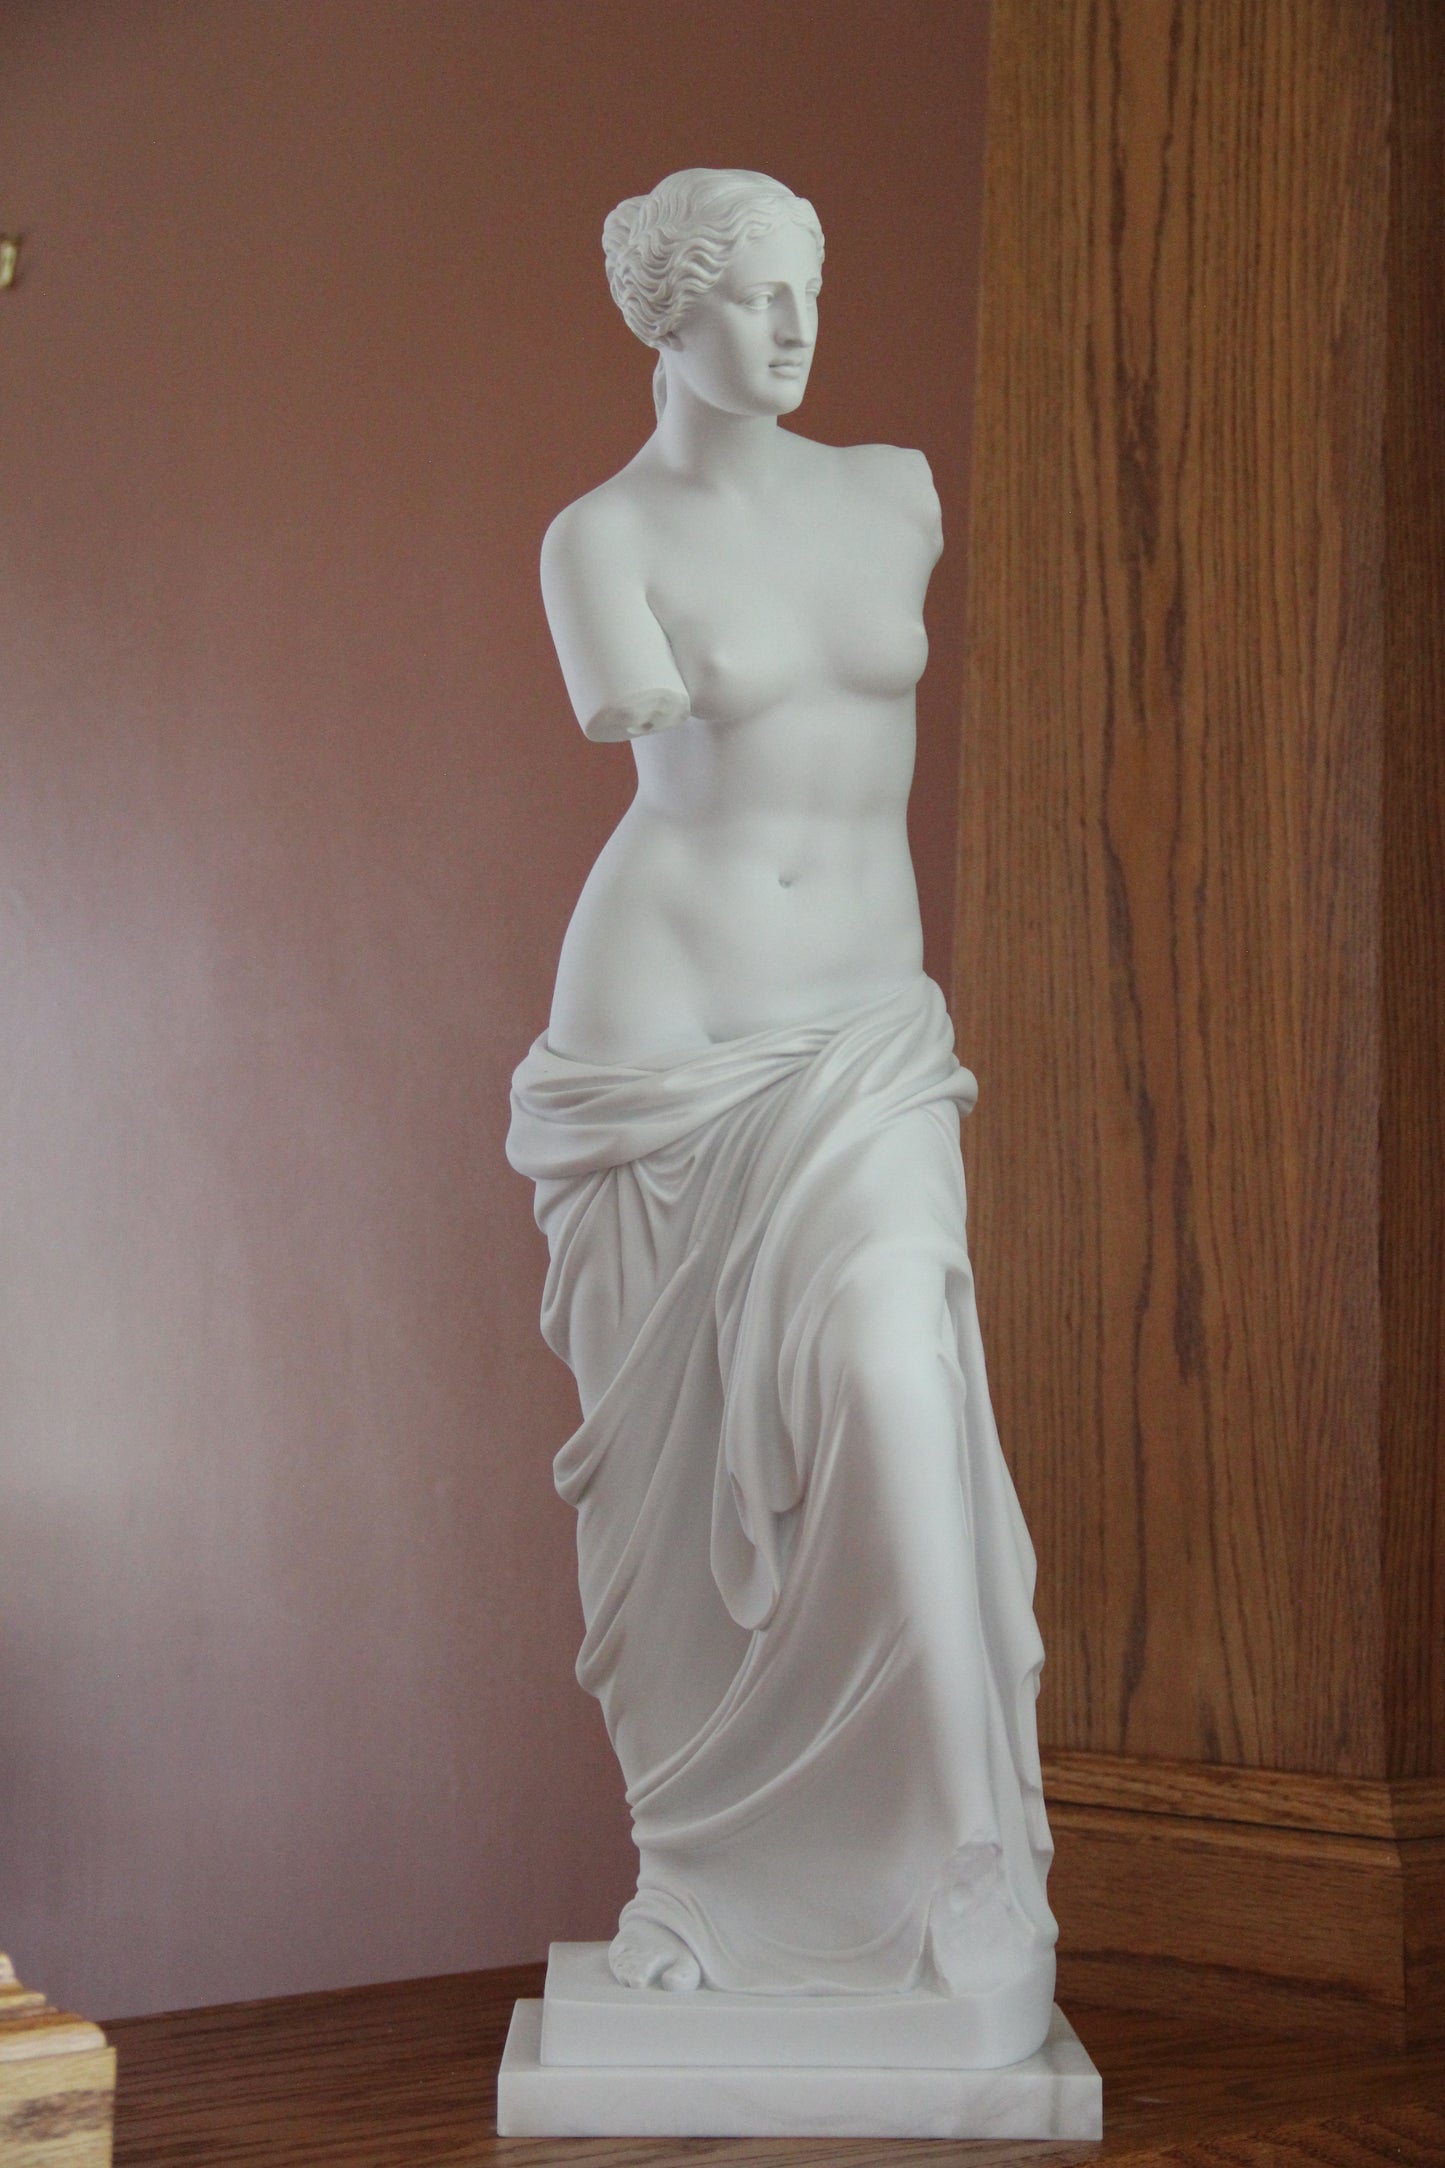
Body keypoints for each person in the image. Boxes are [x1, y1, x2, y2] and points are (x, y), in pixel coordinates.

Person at [507, 170, 1056, 2046]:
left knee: (896, 1373)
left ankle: (968, 1848)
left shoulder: (894, 489)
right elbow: (633, 726)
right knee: (684, 1519)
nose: (796, 327)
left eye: (807, 287)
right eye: (751, 296)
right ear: (666, 315)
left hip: (863, 1041)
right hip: (664, 1057)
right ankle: (712, 1874)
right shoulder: (599, 540)